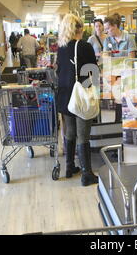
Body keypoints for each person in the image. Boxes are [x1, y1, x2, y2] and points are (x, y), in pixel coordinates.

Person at [56, 14, 99, 186]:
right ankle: (87, 174)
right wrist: (90, 89)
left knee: (70, 132)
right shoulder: (85, 46)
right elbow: (93, 72)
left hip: (65, 95)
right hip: (80, 95)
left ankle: (69, 166)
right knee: (83, 135)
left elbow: (59, 71)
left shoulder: (61, 47)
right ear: (79, 29)